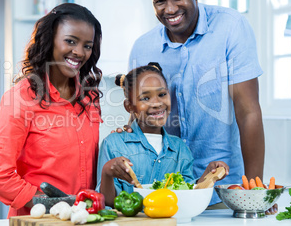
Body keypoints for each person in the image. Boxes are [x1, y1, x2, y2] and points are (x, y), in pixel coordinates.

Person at [128, 0, 268, 210]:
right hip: (164, 192)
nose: (170, 9)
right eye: (159, 1)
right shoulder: (143, 47)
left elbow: (248, 112)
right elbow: (140, 119)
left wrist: (254, 189)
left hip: (223, 189)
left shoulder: (230, 27)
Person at [0, 3, 103, 217]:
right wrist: (47, 204)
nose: (79, 52)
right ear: (50, 40)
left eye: (87, 45)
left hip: (83, 217)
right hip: (38, 218)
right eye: (70, 41)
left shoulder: (90, 97)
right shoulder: (21, 98)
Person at [97, 62, 229, 206]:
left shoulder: (180, 148)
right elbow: (107, 202)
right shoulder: (113, 144)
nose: (157, 103)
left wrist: (208, 175)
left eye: (162, 94)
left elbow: (187, 192)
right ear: (129, 106)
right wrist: (107, 173)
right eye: (145, 98)